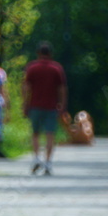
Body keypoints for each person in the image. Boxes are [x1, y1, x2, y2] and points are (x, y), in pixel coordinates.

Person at [22, 42, 67, 175]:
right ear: (50, 54)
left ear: (38, 53)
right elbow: (62, 89)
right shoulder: (56, 68)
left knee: (35, 133)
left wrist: (25, 104)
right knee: (50, 134)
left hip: (35, 105)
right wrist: (63, 105)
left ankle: (36, 158)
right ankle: (48, 162)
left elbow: (26, 87)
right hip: (51, 106)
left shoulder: (32, 68)